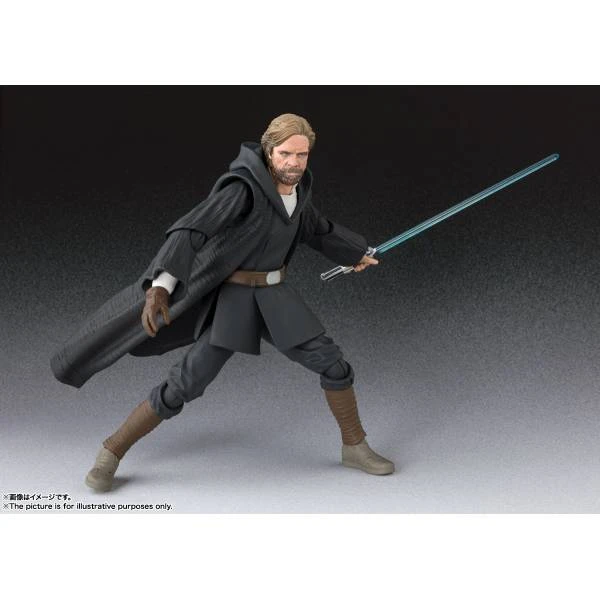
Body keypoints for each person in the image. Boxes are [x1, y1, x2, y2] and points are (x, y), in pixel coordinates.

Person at [81, 113, 395, 492]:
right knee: (186, 382)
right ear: (268, 151)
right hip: (235, 301)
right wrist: (160, 286)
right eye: (285, 154)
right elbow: (192, 230)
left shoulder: (297, 192)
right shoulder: (242, 190)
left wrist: (355, 252)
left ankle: (354, 445)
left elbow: (316, 229)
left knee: (333, 363)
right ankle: (112, 451)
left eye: (302, 155)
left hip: (275, 297)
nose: (294, 163)